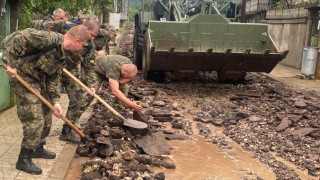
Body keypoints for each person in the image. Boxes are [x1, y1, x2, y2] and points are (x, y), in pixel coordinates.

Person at [1, 25, 90, 175]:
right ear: (76, 40)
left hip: (38, 79)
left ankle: (38, 147)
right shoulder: (48, 39)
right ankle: (23, 159)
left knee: (47, 114)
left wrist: (56, 102)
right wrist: (11, 64)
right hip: (23, 76)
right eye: (82, 45)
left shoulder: (63, 53)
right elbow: (20, 38)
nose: (81, 49)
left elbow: (54, 77)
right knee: (35, 118)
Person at [59, 19, 100, 143]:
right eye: (91, 34)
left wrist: (91, 85)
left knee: (77, 100)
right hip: (53, 69)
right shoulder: (65, 29)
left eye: (94, 36)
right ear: (84, 28)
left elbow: (89, 67)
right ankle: (38, 140)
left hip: (70, 71)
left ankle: (66, 131)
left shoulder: (90, 46)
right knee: (49, 101)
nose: (92, 38)